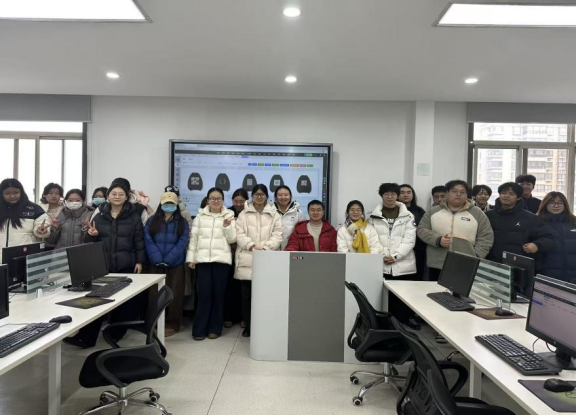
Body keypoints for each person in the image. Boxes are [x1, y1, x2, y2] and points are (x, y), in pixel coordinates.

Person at [65, 182, 146, 349]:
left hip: (125, 262)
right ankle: (86, 337)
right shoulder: (99, 215)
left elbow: (139, 241)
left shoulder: (134, 216)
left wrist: (139, 261)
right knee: (95, 301)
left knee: (122, 302)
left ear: (126, 197)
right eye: (114, 194)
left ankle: (116, 333)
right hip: (103, 265)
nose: (117, 197)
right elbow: (88, 240)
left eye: (121, 194)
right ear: (108, 196)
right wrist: (91, 234)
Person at [418, 180, 494, 281]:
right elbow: (422, 229)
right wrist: (438, 240)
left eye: (462, 192)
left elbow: (486, 236)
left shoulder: (477, 213)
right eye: (454, 191)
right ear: (447, 193)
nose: (458, 194)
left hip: (466, 264)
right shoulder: (433, 211)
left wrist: (476, 255)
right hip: (437, 263)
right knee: (435, 290)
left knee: (461, 290)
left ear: (467, 195)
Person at [187, 188, 237, 341]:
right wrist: (191, 258)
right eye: (212, 198)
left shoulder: (229, 215)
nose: (215, 201)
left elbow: (232, 239)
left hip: (221, 261)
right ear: (207, 200)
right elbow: (194, 238)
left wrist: (227, 226)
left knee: (218, 295)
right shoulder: (200, 216)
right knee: (203, 295)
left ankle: (215, 328)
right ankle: (199, 329)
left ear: (223, 200)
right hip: (203, 261)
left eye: (218, 198)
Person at [235, 185, 283, 338]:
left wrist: (266, 248)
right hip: (247, 257)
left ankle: (264, 326)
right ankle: (248, 327)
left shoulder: (274, 214)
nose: (259, 197)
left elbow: (278, 234)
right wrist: (251, 245)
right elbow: (239, 233)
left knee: (265, 297)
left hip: (267, 258)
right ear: (252, 196)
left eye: (262, 194)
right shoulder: (244, 214)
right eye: (256, 194)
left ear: (267, 196)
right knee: (246, 298)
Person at [145, 191, 190, 337]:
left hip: (175, 264)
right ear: (161, 204)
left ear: (176, 205)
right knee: (154, 295)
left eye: (172, 203)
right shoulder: (152, 221)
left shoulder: (182, 222)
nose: (169, 206)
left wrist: (169, 259)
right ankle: (155, 322)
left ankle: (172, 323)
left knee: (175, 294)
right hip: (155, 263)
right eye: (166, 203)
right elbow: (148, 240)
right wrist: (157, 258)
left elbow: (182, 242)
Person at [486, 182, 553, 266]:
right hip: (491, 262)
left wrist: (536, 245)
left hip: (518, 264)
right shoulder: (488, 215)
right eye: (503, 193)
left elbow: (547, 238)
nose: (506, 196)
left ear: (518, 197)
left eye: (511, 194)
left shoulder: (530, 218)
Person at [370, 184, 417, 279]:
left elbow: (409, 240)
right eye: (386, 194)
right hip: (381, 264)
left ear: (397, 196)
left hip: (403, 266)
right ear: (381, 196)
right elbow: (372, 240)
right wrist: (382, 255)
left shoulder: (408, 216)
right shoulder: (373, 216)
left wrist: (395, 256)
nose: (390, 197)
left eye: (393, 194)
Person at [0, 179, 51, 263]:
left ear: (21, 192)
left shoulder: (34, 209)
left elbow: (43, 225)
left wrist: (41, 230)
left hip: (24, 257)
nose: (12, 196)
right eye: (7, 193)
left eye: (16, 192)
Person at [224, 188, 249, 329]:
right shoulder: (227, 213)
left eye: (242, 201)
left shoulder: (249, 214)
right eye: (236, 201)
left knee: (244, 288)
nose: (238, 204)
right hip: (230, 254)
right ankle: (229, 316)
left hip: (245, 254)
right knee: (230, 286)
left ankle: (244, 317)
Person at [538, 192, 576, 284]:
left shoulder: (573, 222)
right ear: (545, 204)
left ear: (565, 205)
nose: (556, 206)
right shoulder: (537, 222)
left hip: (573, 275)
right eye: (552, 203)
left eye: (560, 203)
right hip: (547, 274)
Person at [399, 184, 427, 279]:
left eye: (408, 192)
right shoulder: (395, 210)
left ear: (413, 195)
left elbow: (423, 229)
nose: (406, 195)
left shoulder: (420, 211)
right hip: (399, 249)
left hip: (418, 250)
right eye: (402, 193)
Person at [274, 186, 306, 250]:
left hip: (292, 250)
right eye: (280, 195)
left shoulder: (298, 213)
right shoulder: (270, 211)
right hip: (273, 250)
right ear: (276, 197)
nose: (283, 197)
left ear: (290, 196)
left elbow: (302, 233)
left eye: (286, 195)